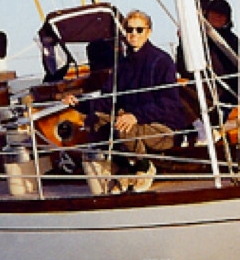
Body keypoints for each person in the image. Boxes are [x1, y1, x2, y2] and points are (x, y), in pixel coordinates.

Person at [63, 10, 186, 192]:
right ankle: (119, 167)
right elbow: (107, 100)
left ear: (148, 32)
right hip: (134, 124)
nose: (133, 34)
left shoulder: (162, 61)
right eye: (129, 29)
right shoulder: (122, 66)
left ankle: (143, 167)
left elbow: (169, 105)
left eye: (139, 30)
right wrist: (79, 103)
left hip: (165, 128)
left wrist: (136, 116)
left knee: (125, 127)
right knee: (94, 120)